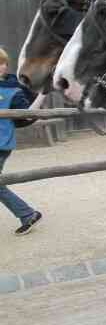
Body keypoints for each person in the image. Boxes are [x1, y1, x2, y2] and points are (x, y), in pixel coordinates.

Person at [0, 47, 42, 236]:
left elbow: (26, 115)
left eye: (2, 63)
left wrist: (42, 96)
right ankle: (27, 214)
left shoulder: (13, 90)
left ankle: (27, 214)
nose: (1, 67)